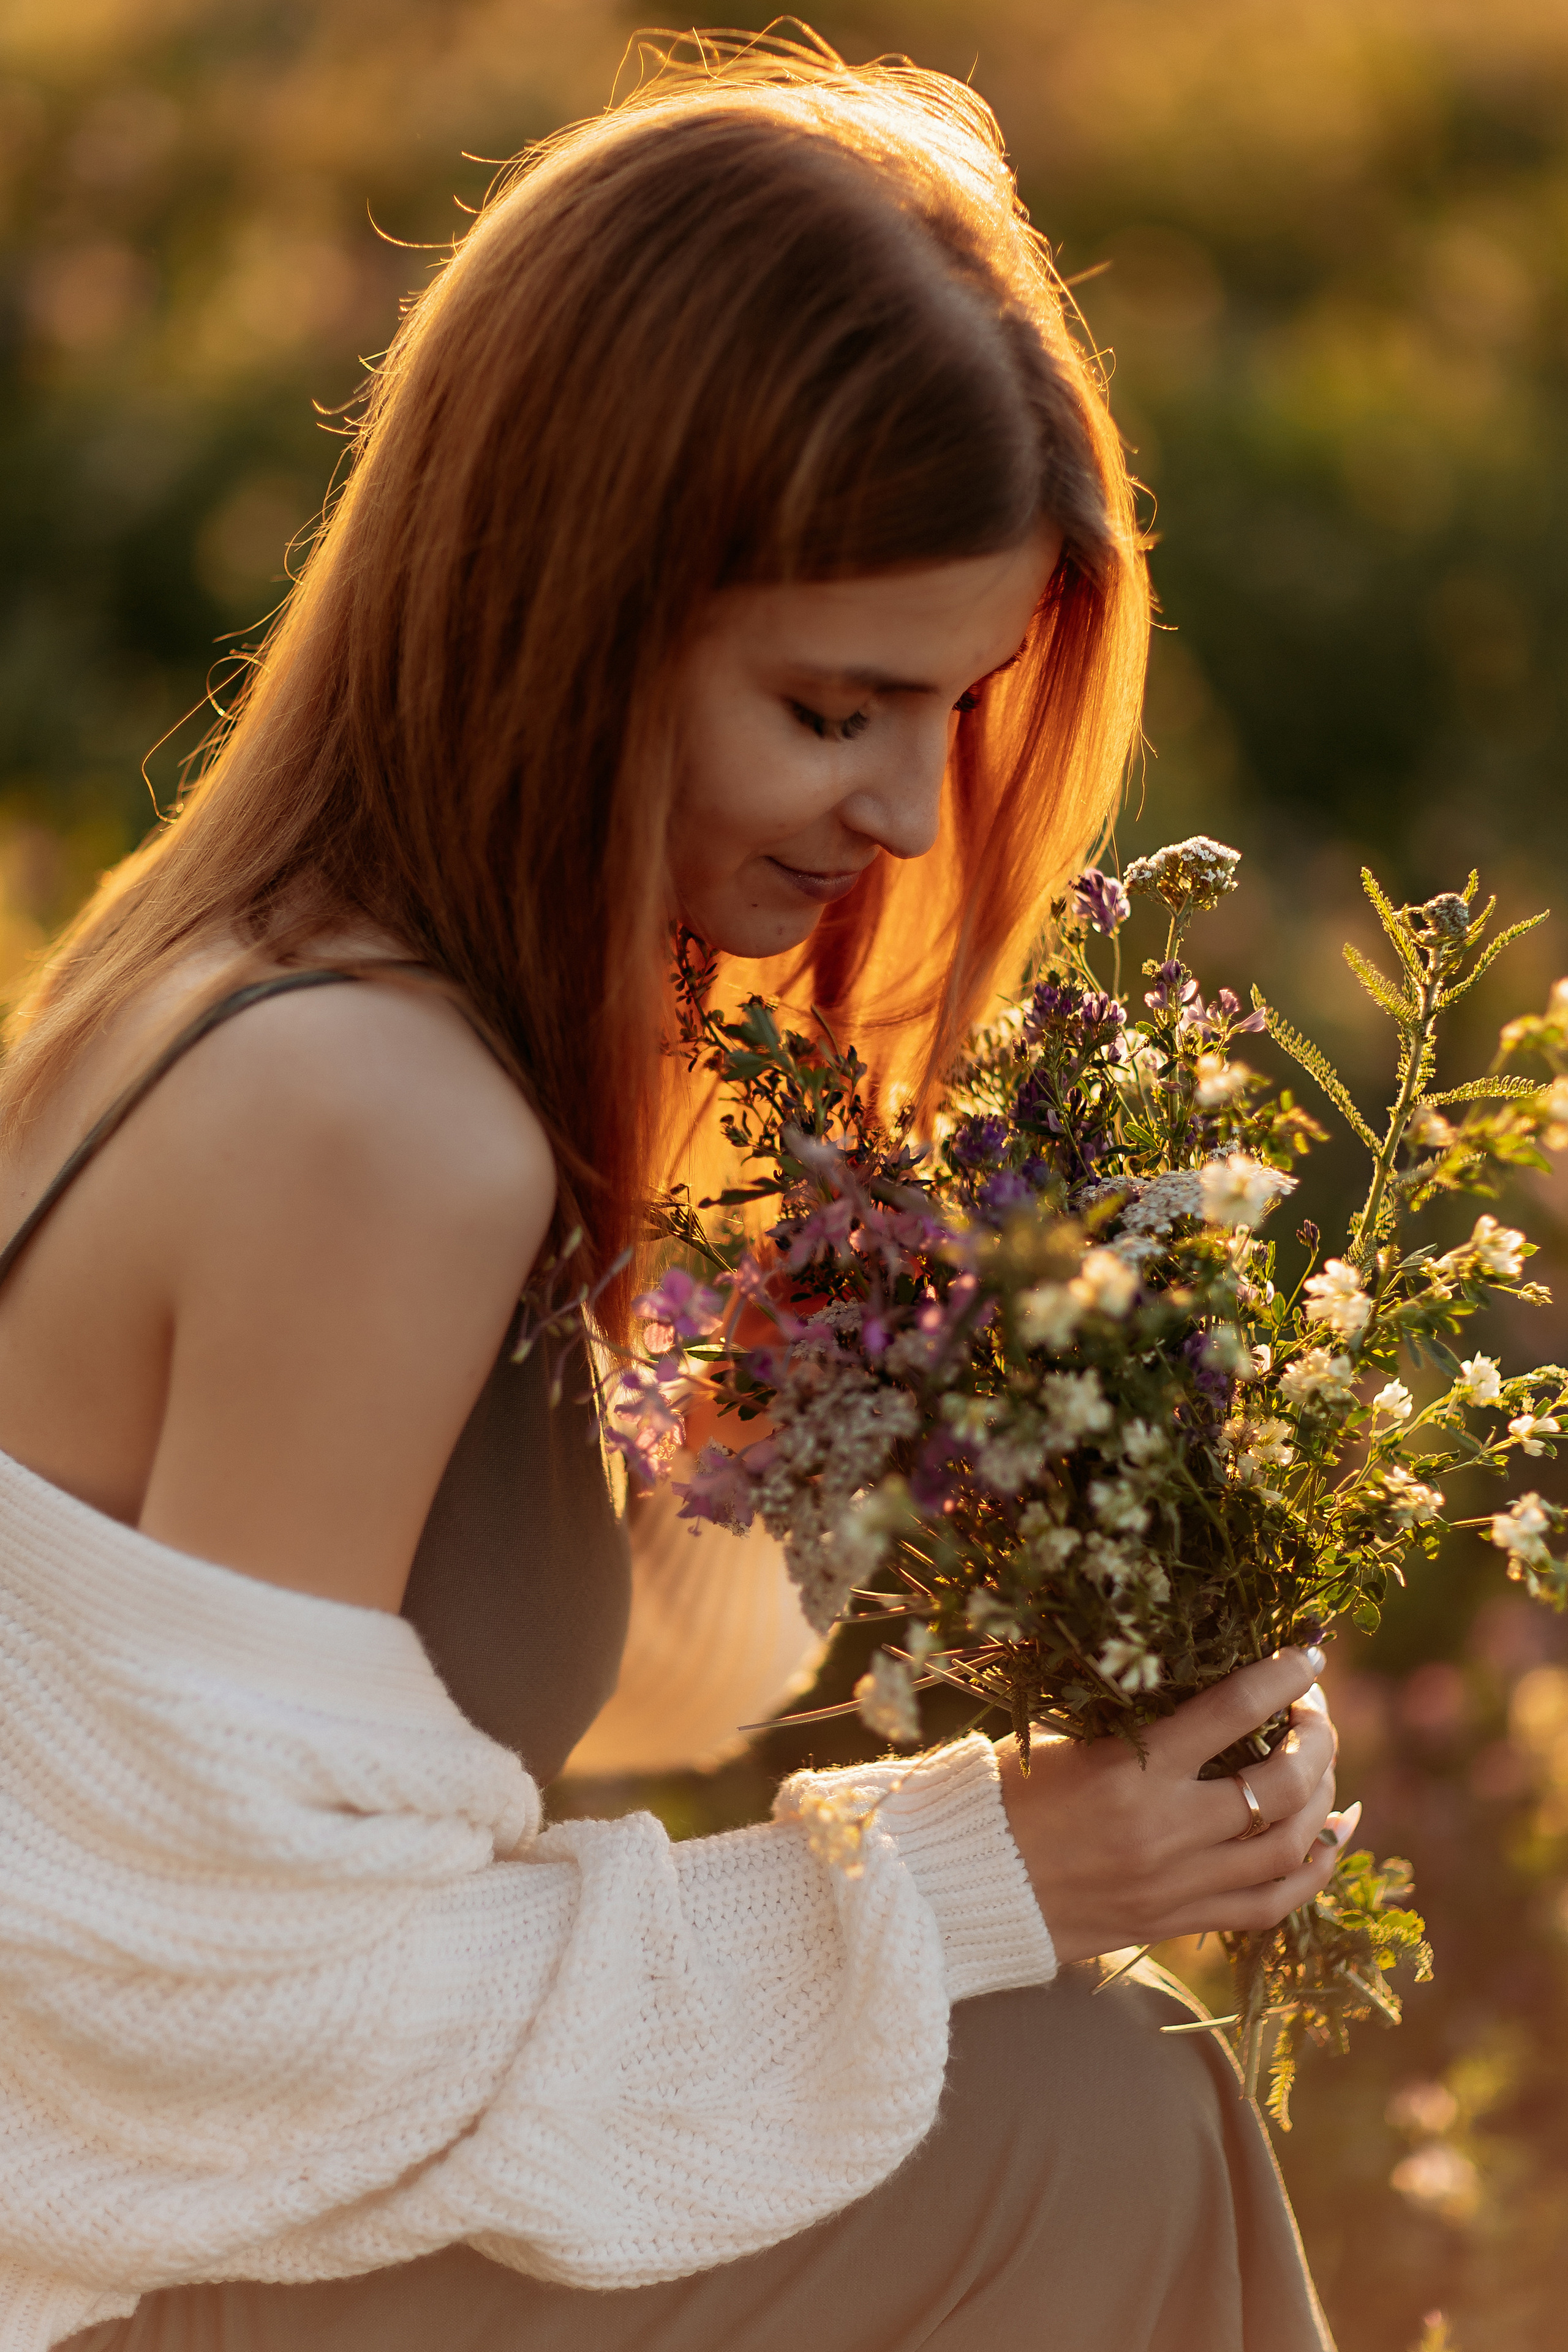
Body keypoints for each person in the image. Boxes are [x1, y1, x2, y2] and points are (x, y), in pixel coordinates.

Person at [0, 30, 1349, 2352]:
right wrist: (980, 1870)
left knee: (1082, 2088)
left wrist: (977, 1434)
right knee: (1085, 2110)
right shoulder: (376, 1123)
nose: (918, 822)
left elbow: (520, 1693)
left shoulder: (266, 973)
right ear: (572, 621)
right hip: (126, 2269)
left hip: (153, 2218)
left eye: (955, 707)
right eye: (835, 709)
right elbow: (217, 2033)